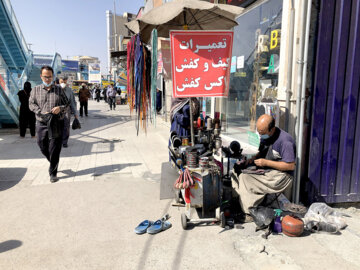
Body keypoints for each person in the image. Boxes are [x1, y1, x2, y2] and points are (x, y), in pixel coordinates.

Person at [231, 114, 295, 219]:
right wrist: (252, 159)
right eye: (259, 132)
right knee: (237, 171)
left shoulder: (285, 141)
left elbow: (291, 166)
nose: (261, 136)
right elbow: (262, 151)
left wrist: (266, 163)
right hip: (267, 170)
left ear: (272, 129)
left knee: (245, 178)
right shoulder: (265, 136)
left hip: (281, 176)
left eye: (263, 133)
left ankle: (249, 212)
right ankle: (244, 202)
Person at [29, 66, 69, 183]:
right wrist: (40, 112)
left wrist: (60, 108)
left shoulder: (59, 90)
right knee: (42, 145)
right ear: (41, 76)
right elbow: (31, 104)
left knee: (55, 148)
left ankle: (53, 173)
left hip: (56, 123)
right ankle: (52, 161)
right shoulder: (35, 90)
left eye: (49, 77)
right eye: (45, 77)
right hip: (41, 122)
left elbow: (66, 104)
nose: (47, 79)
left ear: (53, 77)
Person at [60, 77, 78, 148]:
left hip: (66, 110)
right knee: (57, 126)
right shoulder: (55, 89)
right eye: (61, 82)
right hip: (57, 111)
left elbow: (72, 102)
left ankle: (64, 142)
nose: (63, 83)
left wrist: (75, 113)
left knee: (66, 127)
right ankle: (58, 140)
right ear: (59, 81)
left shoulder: (69, 90)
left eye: (64, 82)